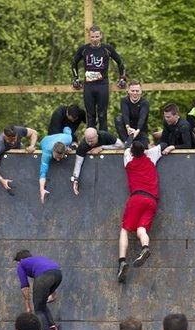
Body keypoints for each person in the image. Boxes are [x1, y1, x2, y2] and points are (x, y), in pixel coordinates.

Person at [117, 141, 170, 283]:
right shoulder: (151, 157)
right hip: (152, 200)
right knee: (141, 229)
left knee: (125, 229)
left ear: (133, 152)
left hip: (137, 197)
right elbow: (164, 144)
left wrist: (132, 136)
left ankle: (122, 261)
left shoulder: (128, 159)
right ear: (145, 150)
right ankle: (145, 247)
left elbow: (127, 146)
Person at [71, 25, 126, 131]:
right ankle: (91, 142)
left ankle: (103, 140)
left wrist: (122, 78)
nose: (94, 39)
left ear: (101, 36)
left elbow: (120, 62)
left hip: (102, 85)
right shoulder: (84, 49)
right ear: (89, 37)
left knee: (102, 115)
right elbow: (74, 62)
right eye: (92, 37)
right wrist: (75, 78)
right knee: (90, 116)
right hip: (89, 86)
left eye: (97, 37)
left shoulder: (107, 49)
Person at [14, 250, 62, 330]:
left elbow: (25, 287)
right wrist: (52, 294)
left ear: (19, 260)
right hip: (58, 274)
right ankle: (52, 327)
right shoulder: (39, 259)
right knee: (41, 304)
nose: (17, 264)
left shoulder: (21, 264)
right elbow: (51, 270)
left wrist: (28, 307)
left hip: (44, 277)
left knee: (38, 310)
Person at [71, 127, 124, 195]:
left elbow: (121, 145)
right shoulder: (82, 146)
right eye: (88, 141)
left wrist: (102, 147)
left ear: (97, 136)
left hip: (110, 166)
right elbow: (78, 164)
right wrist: (75, 180)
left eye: (92, 141)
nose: (90, 143)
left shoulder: (104, 135)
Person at [0, 125, 38, 191]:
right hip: (7, 161)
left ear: (17, 134)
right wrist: (2, 180)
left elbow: (34, 132)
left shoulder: (19, 130)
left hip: (19, 152)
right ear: (4, 136)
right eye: (9, 140)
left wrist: (32, 146)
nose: (12, 142)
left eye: (14, 139)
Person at [38, 127, 72, 203]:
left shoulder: (68, 139)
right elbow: (43, 173)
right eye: (56, 157)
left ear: (64, 152)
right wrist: (42, 189)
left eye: (60, 157)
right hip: (45, 141)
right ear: (53, 151)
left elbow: (67, 128)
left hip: (62, 139)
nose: (58, 160)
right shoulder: (47, 153)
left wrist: (68, 147)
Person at [115, 80, 150, 148]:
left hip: (140, 130)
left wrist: (137, 130)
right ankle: (125, 142)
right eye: (132, 91)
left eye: (137, 91)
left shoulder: (145, 102)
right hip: (128, 129)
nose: (135, 93)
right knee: (118, 118)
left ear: (141, 91)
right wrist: (128, 127)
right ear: (128, 91)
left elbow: (142, 118)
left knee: (144, 147)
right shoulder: (124, 100)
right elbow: (125, 114)